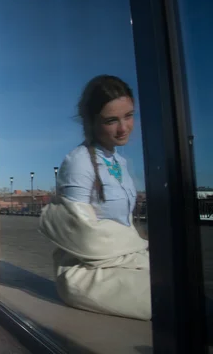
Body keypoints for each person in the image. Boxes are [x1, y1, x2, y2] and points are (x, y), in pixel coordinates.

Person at [39, 75, 151, 320]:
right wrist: (136, 246)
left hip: (126, 263)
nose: (123, 128)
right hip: (89, 275)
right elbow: (82, 234)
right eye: (111, 120)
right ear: (91, 122)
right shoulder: (79, 163)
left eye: (129, 116)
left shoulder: (119, 162)